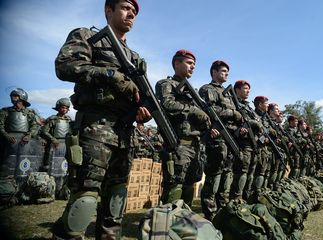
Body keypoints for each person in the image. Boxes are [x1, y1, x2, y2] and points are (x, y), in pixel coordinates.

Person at [51, 0, 152, 239]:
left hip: (125, 135)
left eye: (134, 12)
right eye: (126, 8)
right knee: (84, 201)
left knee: (115, 204)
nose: (131, 14)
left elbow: (141, 97)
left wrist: (142, 111)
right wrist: (109, 74)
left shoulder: (135, 58)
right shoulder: (87, 35)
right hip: (95, 129)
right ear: (109, 10)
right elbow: (64, 66)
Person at [156, 49, 219, 207]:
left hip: (195, 145)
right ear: (177, 63)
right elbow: (167, 104)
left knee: (189, 187)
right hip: (178, 143)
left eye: (194, 64)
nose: (193, 67)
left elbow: (200, 117)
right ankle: (166, 226)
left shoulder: (193, 92)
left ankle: (183, 224)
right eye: (189, 63)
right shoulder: (166, 84)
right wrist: (193, 110)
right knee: (174, 187)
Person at [198, 60, 242, 220]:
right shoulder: (207, 89)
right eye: (223, 71)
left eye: (227, 72)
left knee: (226, 175)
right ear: (214, 72)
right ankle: (210, 213)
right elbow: (207, 110)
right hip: (217, 138)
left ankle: (222, 211)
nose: (226, 74)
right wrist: (231, 114)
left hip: (231, 139)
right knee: (214, 176)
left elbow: (236, 113)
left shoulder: (229, 94)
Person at [0, 88, 39, 206]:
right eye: (12, 96)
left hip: (24, 142)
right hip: (8, 142)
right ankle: (6, 193)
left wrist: (29, 135)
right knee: (6, 166)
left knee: (23, 167)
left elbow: (34, 126)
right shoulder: (5, 111)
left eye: (15, 96)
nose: (13, 98)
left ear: (22, 98)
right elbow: (0, 125)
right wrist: (6, 136)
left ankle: (22, 192)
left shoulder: (29, 113)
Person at [40, 98, 72, 199]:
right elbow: (44, 131)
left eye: (66, 108)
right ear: (58, 108)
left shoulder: (69, 120)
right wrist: (53, 139)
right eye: (63, 107)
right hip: (54, 146)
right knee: (52, 168)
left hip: (65, 145)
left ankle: (62, 190)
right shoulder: (52, 119)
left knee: (64, 168)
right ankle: (50, 190)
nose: (64, 110)